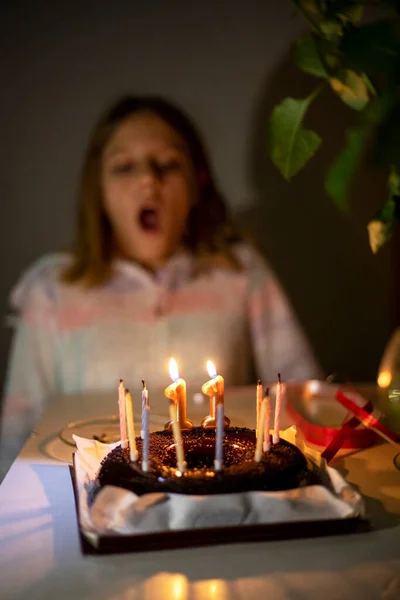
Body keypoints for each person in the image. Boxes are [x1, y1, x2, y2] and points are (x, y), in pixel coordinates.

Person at [0, 95, 321, 475]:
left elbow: (302, 397)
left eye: (168, 164)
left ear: (198, 181)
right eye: (124, 167)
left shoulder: (239, 271)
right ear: (98, 190)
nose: (148, 180)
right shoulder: (51, 288)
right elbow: (15, 437)